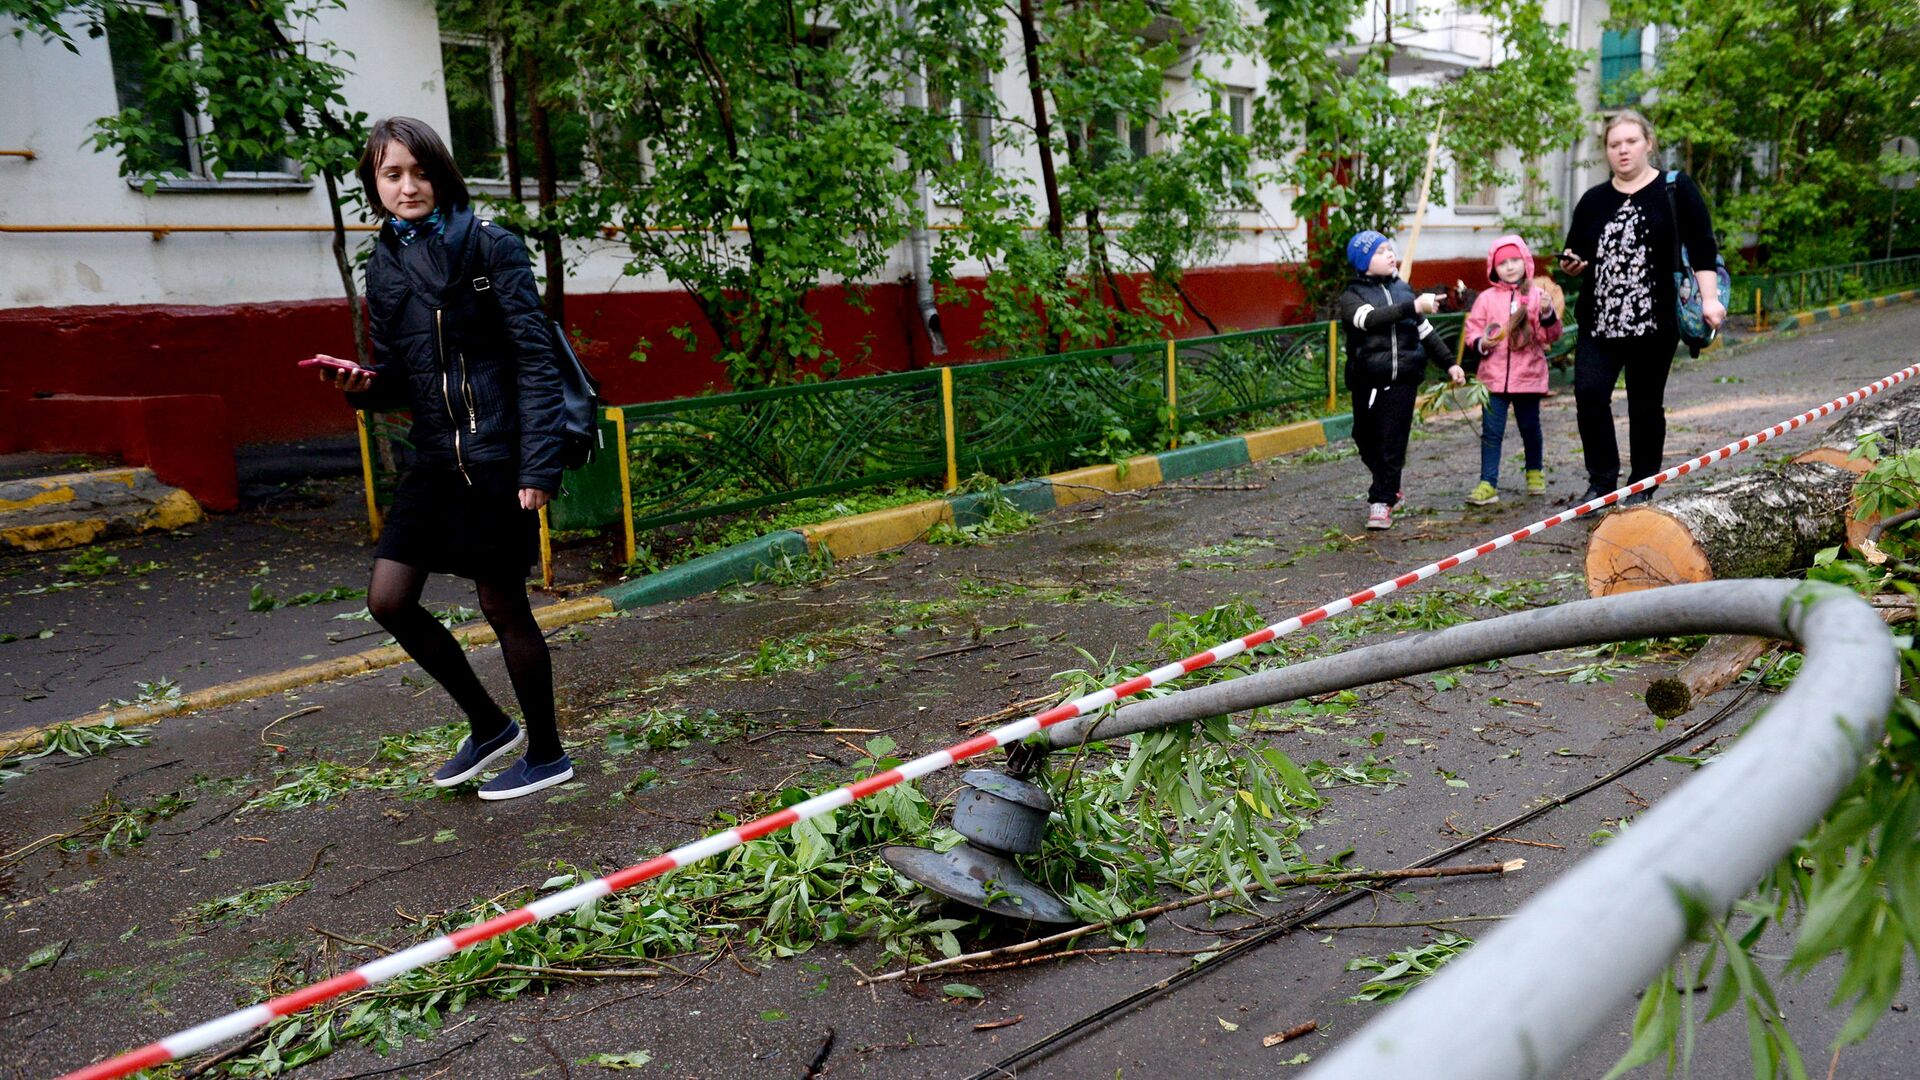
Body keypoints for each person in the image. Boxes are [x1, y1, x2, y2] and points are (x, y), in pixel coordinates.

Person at [307, 117, 574, 800]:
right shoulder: (385, 263)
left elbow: (535, 359)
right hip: (434, 456)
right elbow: (399, 374)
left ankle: (546, 753)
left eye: (419, 171)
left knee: (502, 603)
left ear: (440, 174)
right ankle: (489, 727)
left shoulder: (490, 247)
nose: (407, 186)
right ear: (373, 184)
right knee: (389, 600)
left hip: (496, 453)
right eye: (391, 174)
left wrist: (537, 466)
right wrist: (361, 389)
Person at [1559, 110, 1724, 505]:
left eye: (1631, 141)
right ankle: (1601, 482)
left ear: (1648, 143)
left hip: (1655, 322)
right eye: (1614, 145)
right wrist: (1571, 263)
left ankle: (1642, 484)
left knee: (1645, 405)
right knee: (1589, 394)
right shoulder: (1593, 200)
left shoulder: (1675, 188)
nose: (1623, 150)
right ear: (1607, 152)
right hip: (1599, 323)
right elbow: (1575, 251)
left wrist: (1711, 298)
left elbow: (1702, 245)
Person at [1335, 230, 1466, 531]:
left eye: (1389, 249)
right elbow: (1369, 320)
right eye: (1381, 251)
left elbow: (1426, 333)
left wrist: (1450, 364)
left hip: (1404, 380)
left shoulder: (1404, 290)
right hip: (1367, 379)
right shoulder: (1352, 296)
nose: (1390, 254)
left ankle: (1381, 501)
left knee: (1392, 441)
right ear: (1364, 261)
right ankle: (1389, 483)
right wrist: (1414, 306)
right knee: (1365, 438)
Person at [1463, 235, 1562, 504]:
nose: (1509, 267)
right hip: (1492, 380)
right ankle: (1487, 483)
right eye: (1503, 262)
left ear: (1525, 261)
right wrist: (1481, 342)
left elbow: (1551, 336)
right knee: (1491, 432)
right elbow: (1472, 329)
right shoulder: (1486, 299)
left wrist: (1546, 313)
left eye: (1515, 260)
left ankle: (1534, 473)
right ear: (1493, 268)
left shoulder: (1537, 295)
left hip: (1527, 377)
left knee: (1530, 428)